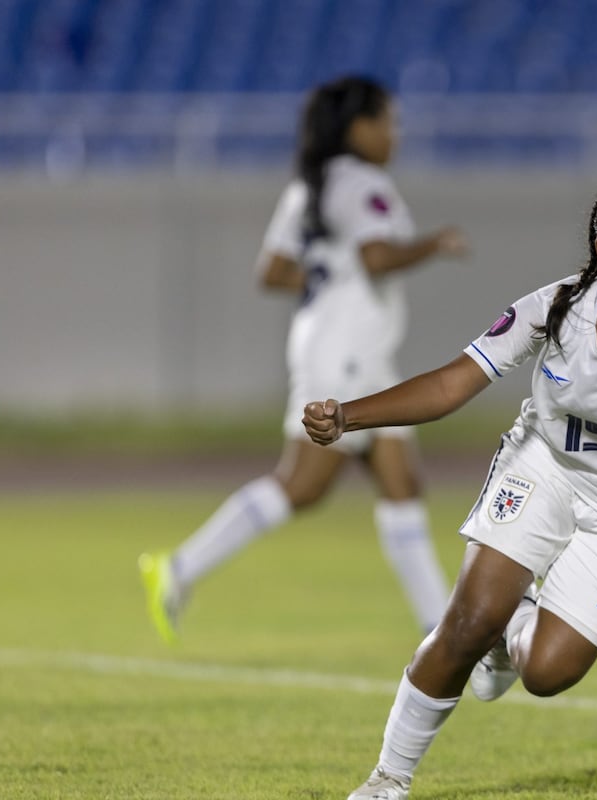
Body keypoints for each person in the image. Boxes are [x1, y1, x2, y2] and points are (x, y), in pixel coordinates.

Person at [301, 178, 597, 800]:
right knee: (466, 622)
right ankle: (388, 778)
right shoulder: (556, 308)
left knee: (546, 672)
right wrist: (349, 416)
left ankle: (509, 630)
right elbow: (451, 384)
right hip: (545, 467)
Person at [138, 75, 469, 643]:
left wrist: (326, 280)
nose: (395, 134)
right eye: (387, 122)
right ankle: (179, 568)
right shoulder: (363, 183)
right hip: (348, 354)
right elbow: (377, 257)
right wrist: (433, 244)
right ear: (358, 128)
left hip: (338, 345)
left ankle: (440, 631)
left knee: (402, 484)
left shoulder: (310, 186)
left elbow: (272, 272)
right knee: (303, 483)